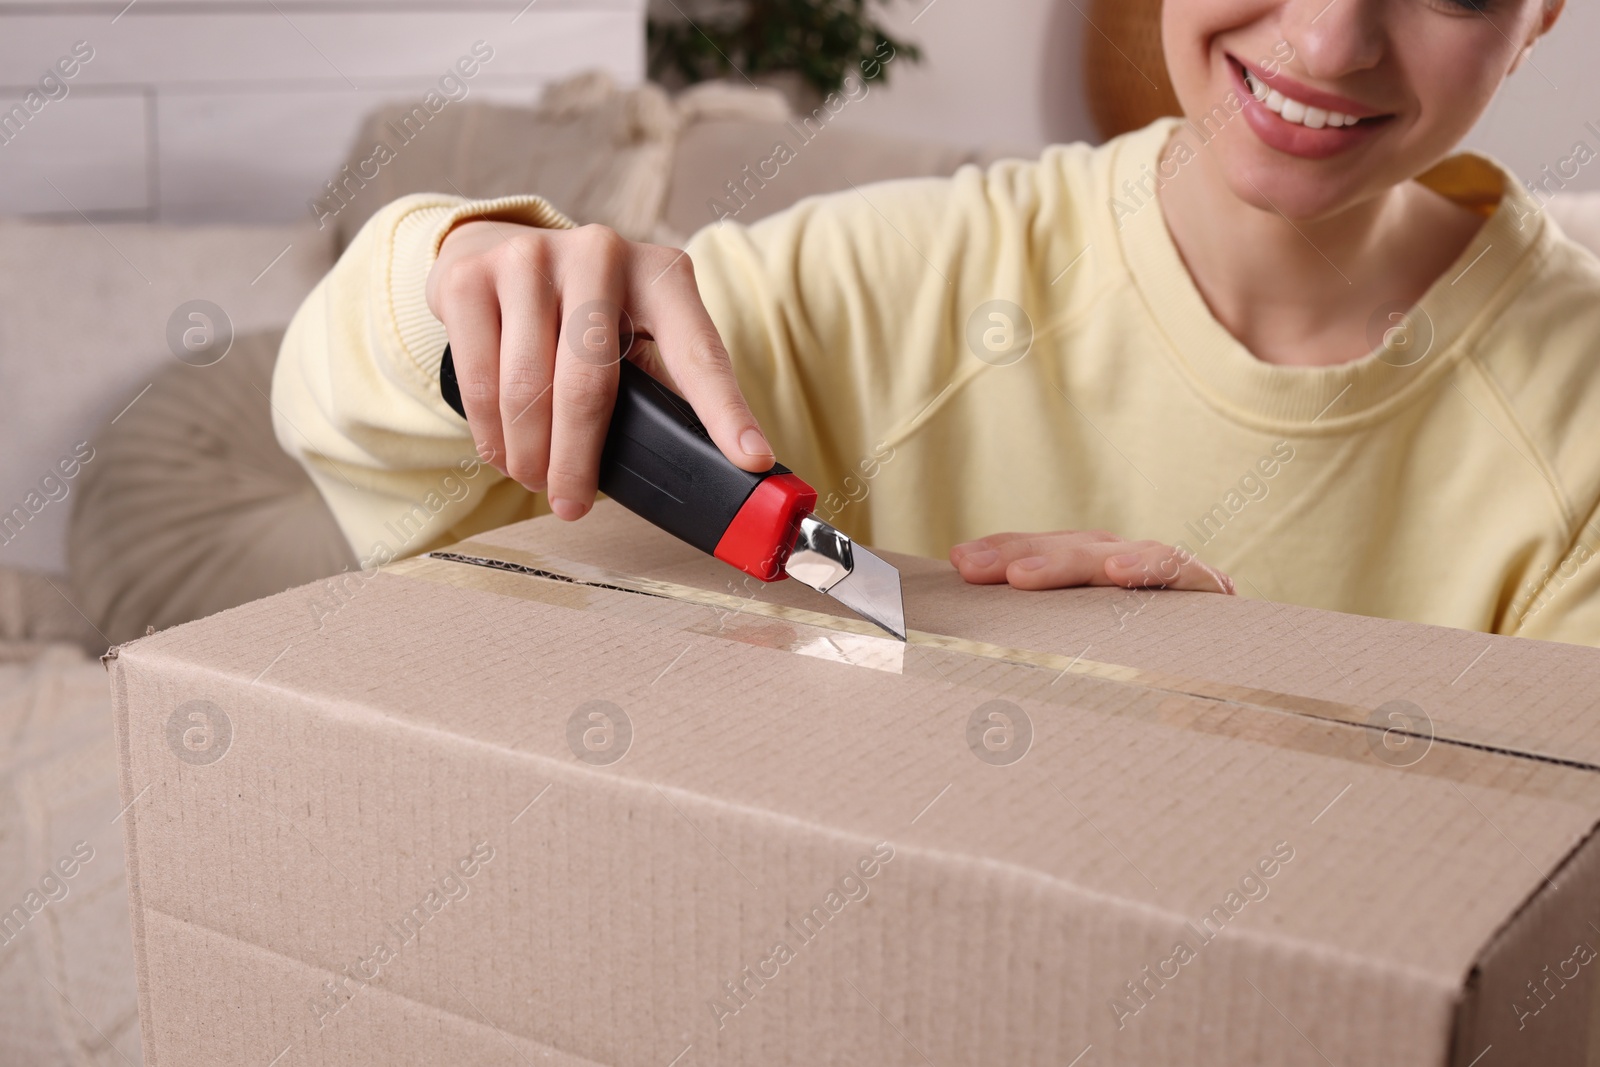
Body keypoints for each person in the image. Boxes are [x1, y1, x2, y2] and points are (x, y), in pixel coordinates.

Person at [274, 0, 1600, 643]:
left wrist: (1262, 718)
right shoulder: (893, 281)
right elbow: (370, 426)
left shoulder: (1578, 415)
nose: (1325, 39)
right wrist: (451, 270)